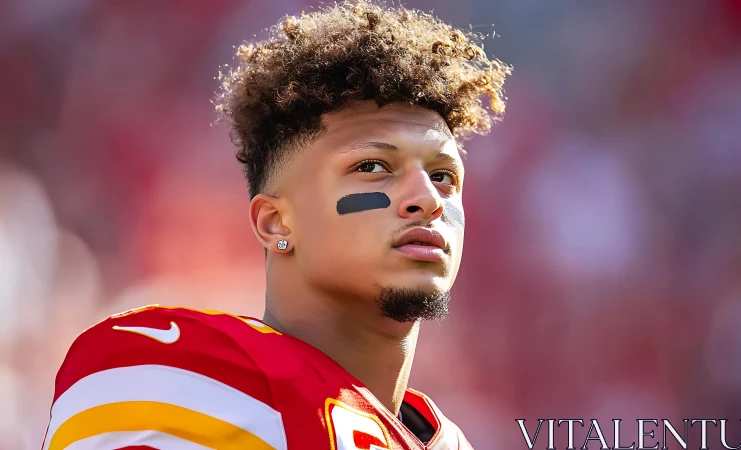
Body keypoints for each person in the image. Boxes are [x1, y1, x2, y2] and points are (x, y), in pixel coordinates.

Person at [41, 1, 510, 448]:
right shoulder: (183, 379)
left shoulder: (453, 440)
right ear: (274, 222)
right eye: (372, 167)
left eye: (444, 176)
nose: (427, 199)